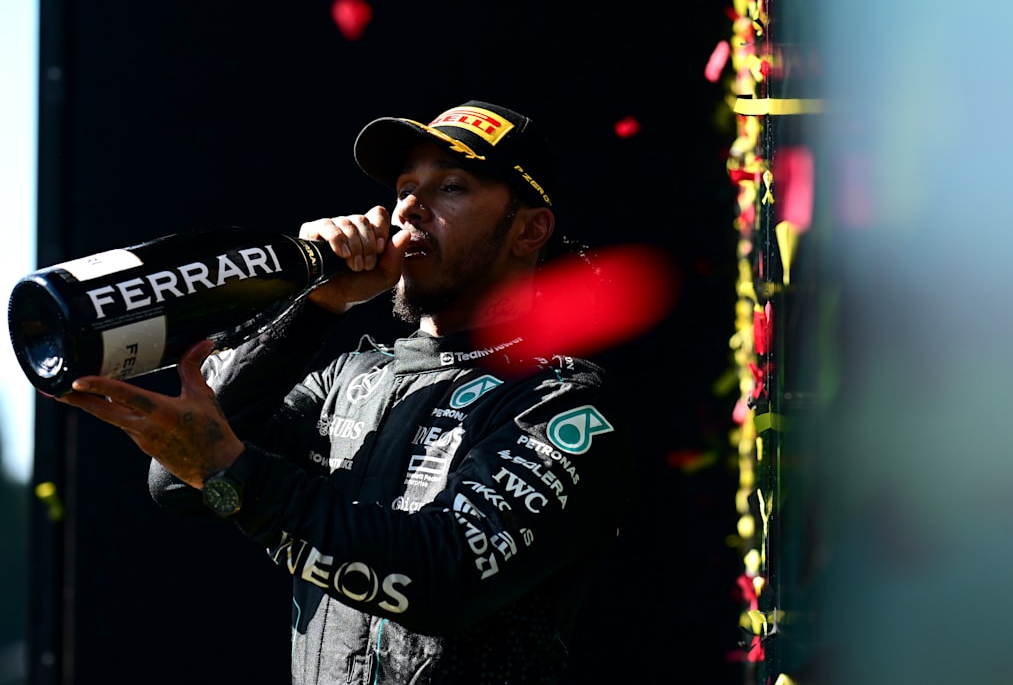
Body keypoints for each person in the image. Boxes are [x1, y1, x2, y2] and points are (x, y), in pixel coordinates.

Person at [59, 100, 633, 685]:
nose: (409, 208)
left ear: (530, 229)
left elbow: (443, 577)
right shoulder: (352, 375)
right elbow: (180, 485)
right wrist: (314, 303)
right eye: (406, 188)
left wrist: (233, 473)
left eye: (451, 186)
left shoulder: (563, 399)